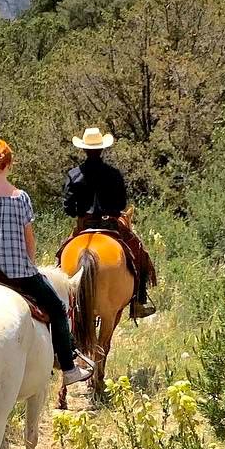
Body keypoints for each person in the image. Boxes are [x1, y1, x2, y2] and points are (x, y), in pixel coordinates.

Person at [0, 138, 94, 385]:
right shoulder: (20, 198)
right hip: (18, 273)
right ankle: (69, 368)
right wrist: (29, 263)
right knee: (58, 309)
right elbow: (30, 243)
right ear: (9, 165)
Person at [63, 126, 157, 318]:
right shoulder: (113, 174)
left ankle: (62, 302)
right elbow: (121, 203)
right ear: (101, 149)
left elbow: (69, 208)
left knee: (60, 257)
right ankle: (138, 301)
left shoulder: (74, 175)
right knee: (139, 253)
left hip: (84, 226)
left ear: (84, 149)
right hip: (111, 226)